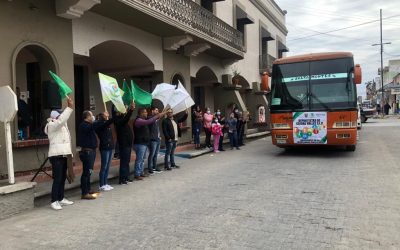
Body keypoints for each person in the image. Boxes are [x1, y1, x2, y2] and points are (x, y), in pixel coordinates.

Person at [44, 96, 74, 210]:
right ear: (55, 116)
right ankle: (54, 200)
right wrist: (69, 107)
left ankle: (61, 198)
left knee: (62, 178)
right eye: (59, 114)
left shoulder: (61, 125)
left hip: (63, 154)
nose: (61, 115)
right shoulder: (52, 125)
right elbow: (62, 120)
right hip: (56, 156)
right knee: (57, 178)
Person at [133, 108, 165, 180]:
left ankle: (141, 172)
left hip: (144, 143)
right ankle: (137, 174)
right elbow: (149, 121)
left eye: (146, 112)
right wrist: (157, 115)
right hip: (139, 143)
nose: (146, 113)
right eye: (144, 112)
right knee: (139, 159)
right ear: (140, 113)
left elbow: (152, 120)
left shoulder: (143, 120)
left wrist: (161, 114)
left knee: (142, 159)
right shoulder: (138, 121)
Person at [77, 110, 99, 200]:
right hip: (87, 152)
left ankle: (88, 189)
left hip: (92, 151)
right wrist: (96, 121)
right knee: (86, 172)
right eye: (91, 115)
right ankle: (84, 192)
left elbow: (96, 126)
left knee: (89, 172)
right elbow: (91, 127)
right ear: (87, 117)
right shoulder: (83, 125)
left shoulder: (90, 125)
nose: (92, 117)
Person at [114, 102, 135, 185]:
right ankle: (122, 179)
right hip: (124, 144)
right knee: (124, 162)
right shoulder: (118, 120)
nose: (125, 111)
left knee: (127, 162)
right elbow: (126, 118)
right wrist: (131, 110)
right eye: (123, 109)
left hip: (128, 144)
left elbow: (126, 118)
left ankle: (126, 177)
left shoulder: (123, 119)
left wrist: (128, 110)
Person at [94, 111, 116, 191]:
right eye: (105, 114)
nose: (107, 115)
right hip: (104, 147)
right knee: (104, 166)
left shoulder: (106, 124)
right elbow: (106, 123)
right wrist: (109, 117)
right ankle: (101, 184)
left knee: (108, 166)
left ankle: (105, 183)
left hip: (110, 147)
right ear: (101, 116)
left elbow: (108, 123)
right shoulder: (99, 124)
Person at [148, 107, 163, 174]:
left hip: (157, 139)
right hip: (152, 140)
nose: (157, 111)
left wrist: (159, 136)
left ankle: (154, 167)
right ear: (152, 111)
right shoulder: (150, 118)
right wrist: (165, 111)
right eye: (156, 110)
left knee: (156, 154)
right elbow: (158, 116)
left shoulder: (156, 120)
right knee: (152, 154)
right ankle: (150, 168)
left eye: (158, 110)